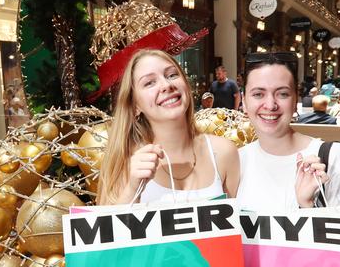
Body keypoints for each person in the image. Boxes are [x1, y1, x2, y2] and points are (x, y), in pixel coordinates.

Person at [97, 50, 240, 205]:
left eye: (172, 75)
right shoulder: (123, 161)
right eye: (149, 83)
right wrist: (132, 189)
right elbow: (106, 228)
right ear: (135, 106)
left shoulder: (224, 152)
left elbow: (239, 224)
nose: (166, 85)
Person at [236, 52, 340, 211]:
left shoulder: (333, 158)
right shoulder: (235, 161)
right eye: (258, 94)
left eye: (282, 94)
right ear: (244, 101)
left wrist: (306, 207)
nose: (270, 105)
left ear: (295, 99)